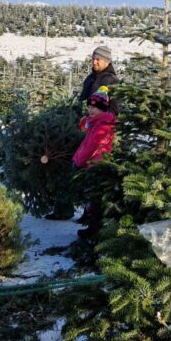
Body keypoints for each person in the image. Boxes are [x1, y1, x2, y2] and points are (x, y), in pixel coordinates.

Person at [72, 88, 117, 249]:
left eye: (94, 107)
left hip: (96, 165)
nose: (90, 109)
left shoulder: (103, 124)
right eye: (89, 107)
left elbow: (91, 146)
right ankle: (93, 229)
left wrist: (78, 161)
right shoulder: (96, 122)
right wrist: (87, 120)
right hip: (92, 164)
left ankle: (95, 231)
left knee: (94, 200)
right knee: (91, 199)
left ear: (102, 108)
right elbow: (83, 126)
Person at [80, 45, 119, 114]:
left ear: (106, 61)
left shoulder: (112, 80)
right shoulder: (89, 78)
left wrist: (98, 118)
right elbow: (82, 101)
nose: (94, 62)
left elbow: (114, 110)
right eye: (93, 59)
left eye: (98, 59)